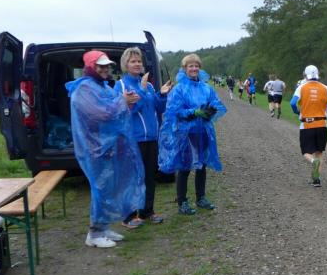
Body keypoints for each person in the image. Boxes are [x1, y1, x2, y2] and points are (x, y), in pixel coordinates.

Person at [66, 50, 144, 248]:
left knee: (109, 188)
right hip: (95, 149)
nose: (105, 69)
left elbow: (116, 111)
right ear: (90, 67)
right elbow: (99, 114)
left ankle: (103, 226)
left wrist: (127, 101)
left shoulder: (103, 86)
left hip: (108, 146)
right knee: (100, 188)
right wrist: (122, 101)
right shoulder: (84, 88)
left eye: (107, 66)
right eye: (100, 66)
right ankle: (95, 234)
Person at [158, 53, 227, 215]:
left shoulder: (206, 88)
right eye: (191, 66)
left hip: (203, 131)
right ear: (185, 68)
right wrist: (194, 112)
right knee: (185, 166)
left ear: (200, 68)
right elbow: (175, 111)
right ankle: (182, 201)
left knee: (202, 165)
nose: (194, 68)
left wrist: (210, 111)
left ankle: (201, 197)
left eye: (196, 65)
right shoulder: (179, 89)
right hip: (186, 133)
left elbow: (215, 103)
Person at [115, 47, 173, 227]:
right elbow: (128, 111)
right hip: (133, 139)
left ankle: (147, 211)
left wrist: (162, 95)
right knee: (133, 178)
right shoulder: (121, 86)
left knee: (149, 177)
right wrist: (141, 90)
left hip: (151, 138)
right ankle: (129, 216)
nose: (137, 64)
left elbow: (158, 108)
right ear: (125, 64)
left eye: (139, 61)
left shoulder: (148, 85)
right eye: (133, 61)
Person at [290, 65, 327, 187]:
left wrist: (297, 111)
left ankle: (313, 161)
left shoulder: (301, 87)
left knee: (306, 152)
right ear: (318, 74)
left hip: (307, 124)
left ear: (305, 75)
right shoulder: (326, 88)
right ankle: (316, 179)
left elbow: (293, 103)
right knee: (319, 152)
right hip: (322, 125)